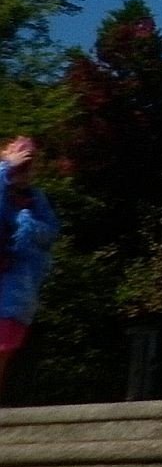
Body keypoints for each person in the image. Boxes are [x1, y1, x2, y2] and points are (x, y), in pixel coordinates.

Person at [0, 138, 59, 398]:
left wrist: (26, 220)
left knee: (4, 348)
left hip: (16, 293)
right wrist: (6, 170)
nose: (24, 169)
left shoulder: (36, 200)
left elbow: (50, 233)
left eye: (29, 164)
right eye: (20, 161)